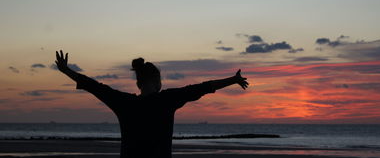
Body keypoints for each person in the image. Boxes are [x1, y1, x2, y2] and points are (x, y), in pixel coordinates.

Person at [55, 50, 249, 158]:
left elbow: (94, 86)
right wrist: (233, 79)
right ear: (157, 82)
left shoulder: (124, 102)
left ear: (138, 83)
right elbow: (203, 87)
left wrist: (66, 71)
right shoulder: (167, 99)